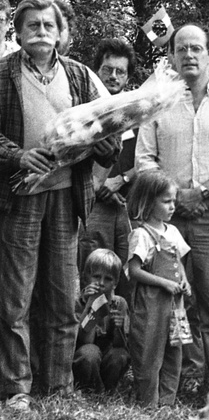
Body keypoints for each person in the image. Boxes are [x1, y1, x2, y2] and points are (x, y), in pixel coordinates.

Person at [0, 0, 117, 411]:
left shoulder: (81, 76)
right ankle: (18, 388)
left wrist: (106, 145)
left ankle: (59, 386)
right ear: (18, 32)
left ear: (60, 31)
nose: (41, 31)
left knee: (63, 294)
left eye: (48, 25)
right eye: (32, 24)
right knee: (16, 297)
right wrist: (17, 154)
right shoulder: (2, 74)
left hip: (68, 196)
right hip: (20, 197)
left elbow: (111, 129)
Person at [135, 23, 209, 389]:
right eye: (180, 49)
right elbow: (145, 160)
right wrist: (174, 197)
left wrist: (200, 193)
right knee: (165, 301)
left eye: (196, 48)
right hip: (165, 218)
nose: (188, 55)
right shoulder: (158, 102)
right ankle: (165, 383)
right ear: (171, 57)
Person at [126, 170, 192, 408]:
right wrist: (164, 283)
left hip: (175, 304)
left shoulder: (173, 232)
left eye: (174, 201)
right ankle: (149, 403)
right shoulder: (141, 234)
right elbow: (134, 271)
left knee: (174, 351)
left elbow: (178, 262)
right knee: (149, 352)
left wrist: (185, 281)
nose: (172, 206)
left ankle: (167, 402)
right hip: (152, 303)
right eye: (166, 201)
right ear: (147, 201)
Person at [79, 36, 139, 275]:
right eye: (107, 69)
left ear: (128, 76)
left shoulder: (137, 111)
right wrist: (99, 185)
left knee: (128, 275)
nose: (113, 76)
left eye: (120, 71)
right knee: (93, 272)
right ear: (97, 71)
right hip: (94, 206)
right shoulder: (83, 109)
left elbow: (148, 156)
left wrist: (120, 181)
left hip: (129, 206)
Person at [73, 249, 129, 395]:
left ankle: (108, 388)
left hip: (106, 354)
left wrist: (119, 327)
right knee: (89, 353)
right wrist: (91, 308)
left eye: (108, 279)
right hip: (85, 354)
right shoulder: (79, 302)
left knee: (120, 355)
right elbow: (86, 341)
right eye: (96, 277)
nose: (101, 283)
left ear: (115, 283)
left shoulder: (119, 303)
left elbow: (120, 345)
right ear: (86, 278)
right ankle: (92, 389)